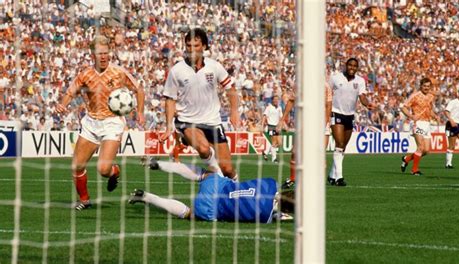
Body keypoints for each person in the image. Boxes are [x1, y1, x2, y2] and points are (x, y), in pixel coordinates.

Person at [56, 35, 145, 210]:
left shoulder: (118, 72)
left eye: (106, 53)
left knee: (103, 170)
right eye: (99, 54)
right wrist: (62, 104)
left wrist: (140, 112)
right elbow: (70, 92)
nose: (103, 57)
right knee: (77, 166)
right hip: (91, 122)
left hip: (112, 122)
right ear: (92, 55)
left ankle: (114, 171)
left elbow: (139, 90)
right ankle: (84, 200)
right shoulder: (85, 74)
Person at [159, 28, 239, 180]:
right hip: (187, 121)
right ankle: (215, 172)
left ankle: (237, 191)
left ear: (204, 47)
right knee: (203, 149)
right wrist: (169, 125)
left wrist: (234, 111)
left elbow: (231, 89)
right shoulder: (177, 70)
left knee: (228, 169)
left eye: (196, 46)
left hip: (212, 122)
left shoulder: (214, 67)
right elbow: (170, 99)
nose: (192, 49)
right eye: (188, 45)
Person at [130, 157, 294, 223]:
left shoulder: (270, 183)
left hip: (218, 186)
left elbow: (274, 192)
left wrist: (283, 188)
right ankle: (147, 197)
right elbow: (275, 214)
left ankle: (158, 164)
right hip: (210, 208)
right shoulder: (266, 217)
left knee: (206, 173)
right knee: (188, 213)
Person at [327, 58, 374, 186]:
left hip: (349, 115)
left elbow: (362, 96)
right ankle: (339, 178)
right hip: (336, 113)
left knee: (343, 147)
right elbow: (326, 92)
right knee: (339, 144)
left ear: (357, 68)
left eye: (354, 66)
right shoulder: (335, 78)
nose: (352, 67)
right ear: (346, 66)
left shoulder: (360, 81)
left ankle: (332, 175)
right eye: (350, 65)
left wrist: (367, 104)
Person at [400, 77, 440, 176]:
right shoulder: (415, 96)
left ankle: (407, 159)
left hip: (427, 123)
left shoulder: (430, 96)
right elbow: (403, 107)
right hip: (417, 123)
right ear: (421, 86)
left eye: (428, 86)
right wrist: (411, 116)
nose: (426, 88)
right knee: (420, 147)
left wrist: (434, 115)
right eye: (424, 86)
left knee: (426, 150)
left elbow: (429, 109)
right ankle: (414, 170)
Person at [262, 95, 283, 163]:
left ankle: (265, 152)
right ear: (272, 100)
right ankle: (274, 159)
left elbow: (281, 117)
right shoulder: (269, 107)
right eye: (275, 99)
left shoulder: (279, 108)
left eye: (277, 99)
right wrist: (262, 125)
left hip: (277, 127)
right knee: (274, 142)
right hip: (271, 126)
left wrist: (282, 125)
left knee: (280, 143)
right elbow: (264, 116)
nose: (276, 100)